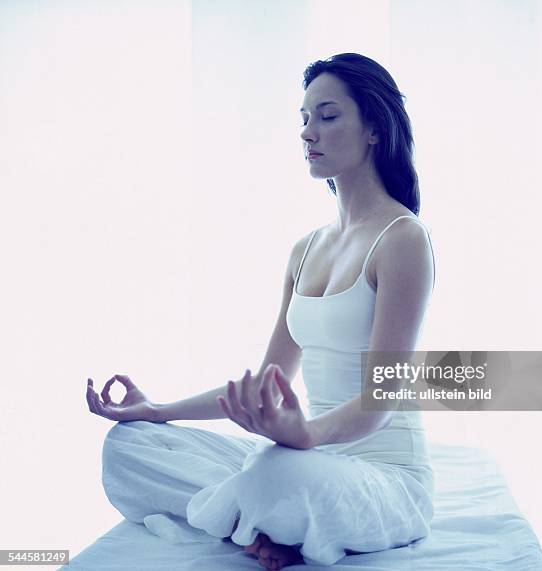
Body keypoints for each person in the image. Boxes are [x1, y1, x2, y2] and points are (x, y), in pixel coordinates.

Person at [86, 52, 436, 570]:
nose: (307, 132)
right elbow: (265, 383)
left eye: (328, 115)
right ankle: (264, 521)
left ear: (374, 130)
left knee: (275, 471)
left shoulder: (402, 238)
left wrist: (305, 436)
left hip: (384, 479)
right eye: (303, 119)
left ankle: (259, 515)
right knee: (129, 447)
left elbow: (381, 399)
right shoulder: (306, 249)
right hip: (313, 459)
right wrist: (156, 411)